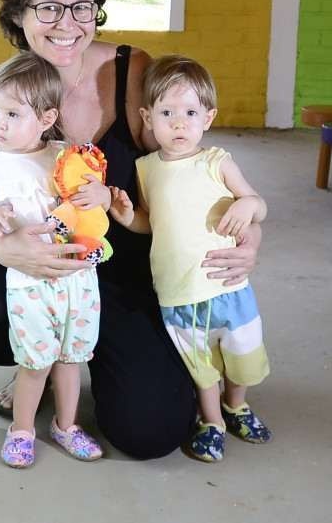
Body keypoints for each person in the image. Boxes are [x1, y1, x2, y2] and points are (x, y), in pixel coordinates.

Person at [0, 0, 263, 460]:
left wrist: (249, 230)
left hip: (127, 272)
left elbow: (188, 169)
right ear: (18, 12)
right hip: (36, 270)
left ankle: (112, 362)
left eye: (81, 6)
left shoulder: (130, 71)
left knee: (150, 434)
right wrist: (9, 251)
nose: (67, 23)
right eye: (48, 7)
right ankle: (40, 359)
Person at [109, 55, 272, 462]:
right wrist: (128, 215)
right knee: (200, 364)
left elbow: (259, 204)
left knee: (241, 355)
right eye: (167, 113)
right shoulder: (147, 169)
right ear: (147, 117)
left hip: (225, 284)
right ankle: (212, 419)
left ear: (208, 117)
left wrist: (248, 206)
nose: (179, 123)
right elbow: (152, 224)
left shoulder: (217, 161)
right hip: (178, 290)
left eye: (190, 113)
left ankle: (237, 405)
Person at [0, 51, 106, 468]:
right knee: (36, 360)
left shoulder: (65, 156)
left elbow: (94, 200)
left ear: (46, 118)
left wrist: (102, 195)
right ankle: (21, 429)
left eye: (12, 113)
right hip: (29, 279)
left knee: (71, 359)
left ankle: (66, 425)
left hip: (77, 277)